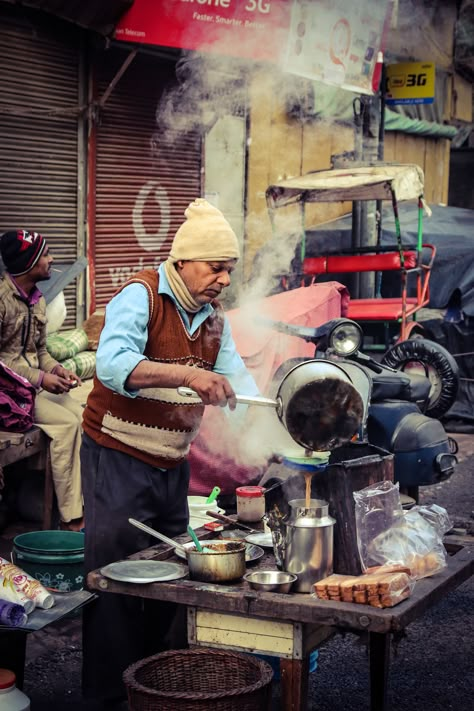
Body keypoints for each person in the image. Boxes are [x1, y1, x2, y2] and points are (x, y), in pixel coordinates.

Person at [80, 198, 260, 708]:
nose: (225, 279)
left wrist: (275, 438)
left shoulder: (212, 318)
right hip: (116, 456)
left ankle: (158, 688)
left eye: (230, 270)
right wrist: (187, 374)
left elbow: (238, 386)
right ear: (184, 262)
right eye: (216, 267)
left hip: (169, 466)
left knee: (172, 573)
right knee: (114, 577)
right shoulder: (141, 297)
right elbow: (112, 365)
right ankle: (108, 698)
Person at [0, 229, 84, 531]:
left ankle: (81, 501)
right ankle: (71, 516)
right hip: (8, 394)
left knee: (82, 415)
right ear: (29, 262)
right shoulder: (2, 300)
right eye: (45, 255)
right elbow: (3, 361)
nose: (52, 260)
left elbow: (41, 351)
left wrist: (57, 370)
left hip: (31, 388)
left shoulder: (37, 300)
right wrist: (41, 378)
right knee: (66, 425)